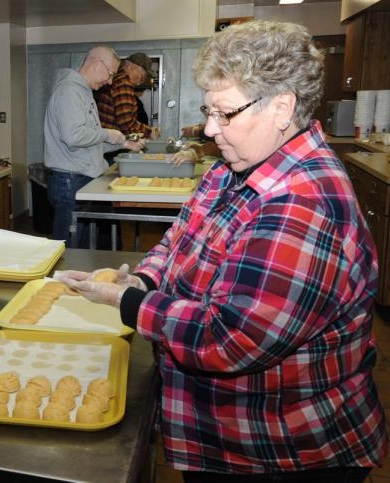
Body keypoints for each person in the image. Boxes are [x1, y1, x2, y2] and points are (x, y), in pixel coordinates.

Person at [57, 20, 387, 482]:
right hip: (224, 435)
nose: (211, 129)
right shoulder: (231, 170)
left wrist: (126, 301)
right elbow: (176, 240)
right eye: (208, 110)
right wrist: (144, 279)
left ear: (282, 107)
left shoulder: (305, 204)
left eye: (225, 112)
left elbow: (228, 340)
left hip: (284, 448)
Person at [43, 45, 144, 246]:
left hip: (78, 178)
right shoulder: (69, 91)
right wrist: (110, 134)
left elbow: (88, 143)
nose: (109, 81)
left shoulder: (84, 92)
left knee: (82, 249)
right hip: (70, 182)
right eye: (110, 74)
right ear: (98, 63)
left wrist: (123, 143)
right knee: (70, 252)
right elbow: (73, 136)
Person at [94, 52, 161, 141]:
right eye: (142, 76)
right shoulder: (123, 84)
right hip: (112, 144)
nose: (142, 81)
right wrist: (149, 131)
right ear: (132, 67)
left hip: (106, 141)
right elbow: (126, 123)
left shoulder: (116, 79)